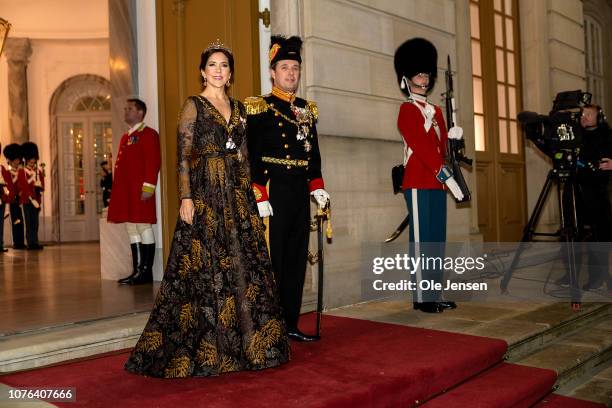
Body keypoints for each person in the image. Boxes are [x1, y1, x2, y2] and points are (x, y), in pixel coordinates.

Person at [124, 40, 289, 378]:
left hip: (237, 193)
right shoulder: (193, 106)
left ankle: (250, 347)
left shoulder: (241, 109)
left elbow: (244, 155)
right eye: (212, 64)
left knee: (244, 265)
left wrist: (254, 195)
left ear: (230, 74)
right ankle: (210, 347)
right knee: (204, 266)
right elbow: (183, 156)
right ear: (203, 71)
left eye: (224, 65)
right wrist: (185, 197)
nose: (218, 70)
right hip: (205, 193)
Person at [245, 35, 330, 342]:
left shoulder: (307, 110)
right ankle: (268, 327)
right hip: (273, 190)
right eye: (285, 67)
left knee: (295, 260)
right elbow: (251, 155)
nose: (291, 73)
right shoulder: (259, 107)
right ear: (273, 72)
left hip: (298, 191)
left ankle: (290, 323)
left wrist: (317, 186)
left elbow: (313, 155)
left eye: (295, 67)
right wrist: (258, 193)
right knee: (273, 260)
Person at [394, 38, 465, 313]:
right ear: (407, 78)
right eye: (418, 74)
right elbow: (421, 146)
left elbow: (442, 148)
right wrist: (444, 173)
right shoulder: (407, 110)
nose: (423, 78)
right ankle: (422, 297)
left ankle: (434, 292)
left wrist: (455, 140)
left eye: (425, 74)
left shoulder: (436, 111)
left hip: (437, 182)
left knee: (436, 240)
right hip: (419, 180)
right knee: (422, 241)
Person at [107, 98, 161, 285]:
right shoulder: (126, 136)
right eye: (125, 108)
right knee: (131, 226)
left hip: (140, 190)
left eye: (129, 109)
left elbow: (152, 163)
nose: (125, 112)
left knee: (143, 225)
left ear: (140, 112)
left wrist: (148, 187)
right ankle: (137, 271)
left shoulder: (149, 134)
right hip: (127, 191)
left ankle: (145, 272)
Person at [573, 104, 611, 290]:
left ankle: (599, 276)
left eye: (589, 114)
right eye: (583, 114)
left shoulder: (608, 135)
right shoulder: (577, 135)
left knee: (600, 237)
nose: (584, 117)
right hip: (576, 191)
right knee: (574, 235)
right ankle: (570, 275)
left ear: (600, 117)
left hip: (598, 193)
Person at [17, 141, 44, 250]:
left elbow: (42, 183)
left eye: (34, 159)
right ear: (27, 159)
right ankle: (30, 242)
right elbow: (23, 186)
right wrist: (31, 198)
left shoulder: (38, 171)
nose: (33, 161)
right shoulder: (22, 171)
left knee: (35, 222)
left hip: (36, 199)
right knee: (29, 222)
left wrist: (41, 188)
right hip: (27, 200)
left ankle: (35, 241)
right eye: (31, 159)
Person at [3, 143, 25, 249]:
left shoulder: (20, 172)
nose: (18, 161)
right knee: (15, 221)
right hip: (12, 201)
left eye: (18, 159)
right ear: (10, 160)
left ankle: (20, 241)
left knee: (20, 221)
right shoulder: (8, 173)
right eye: (15, 159)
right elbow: (9, 187)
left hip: (19, 200)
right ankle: (16, 242)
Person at [0, 142, 15, 252]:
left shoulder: (2, 169)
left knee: (0, 222)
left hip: (1, 199)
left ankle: (0, 244)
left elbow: (8, 183)